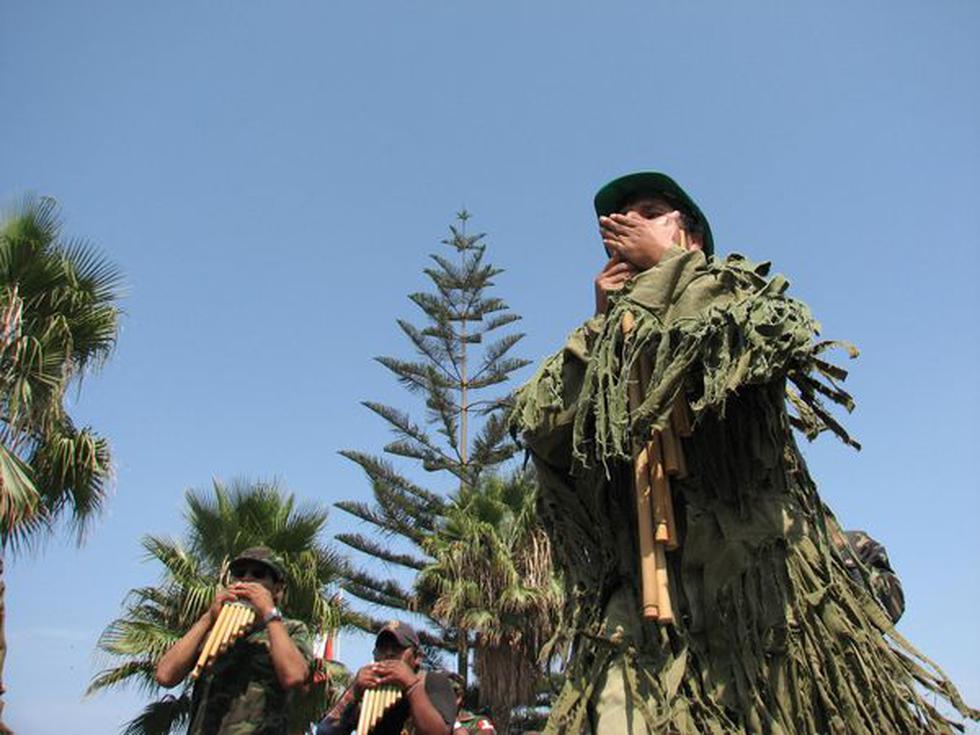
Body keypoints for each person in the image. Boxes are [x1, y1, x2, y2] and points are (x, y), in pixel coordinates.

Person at [511, 172, 977, 733]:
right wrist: (602, 329)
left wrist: (669, 274)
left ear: (691, 237)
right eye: (619, 222)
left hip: (760, 591)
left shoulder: (730, 289)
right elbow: (544, 431)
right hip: (650, 615)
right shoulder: (601, 345)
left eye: (650, 212)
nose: (628, 226)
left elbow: (750, 345)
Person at [156, 546, 313, 735]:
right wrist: (208, 617)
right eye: (239, 574)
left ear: (277, 589)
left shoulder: (290, 629)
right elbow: (165, 675)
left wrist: (269, 612)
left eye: (258, 574)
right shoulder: (213, 632)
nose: (246, 579)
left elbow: (294, 677)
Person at [315, 621, 457, 735]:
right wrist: (354, 690)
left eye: (398, 647)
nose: (389, 653)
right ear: (374, 655)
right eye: (383, 647)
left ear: (417, 658)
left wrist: (412, 686)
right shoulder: (366, 689)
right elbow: (324, 731)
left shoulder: (434, 681)